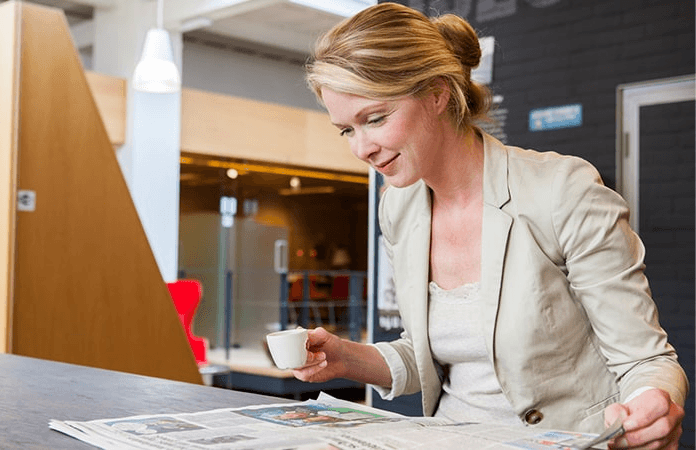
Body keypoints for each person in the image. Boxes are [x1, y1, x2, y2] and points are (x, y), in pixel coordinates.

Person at [292, 3, 688, 449]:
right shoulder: (398, 207)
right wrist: (345, 358)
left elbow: (645, 360)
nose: (361, 148)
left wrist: (653, 402)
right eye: (346, 130)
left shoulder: (561, 190)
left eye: (375, 118)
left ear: (438, 94)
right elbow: (433, 352)